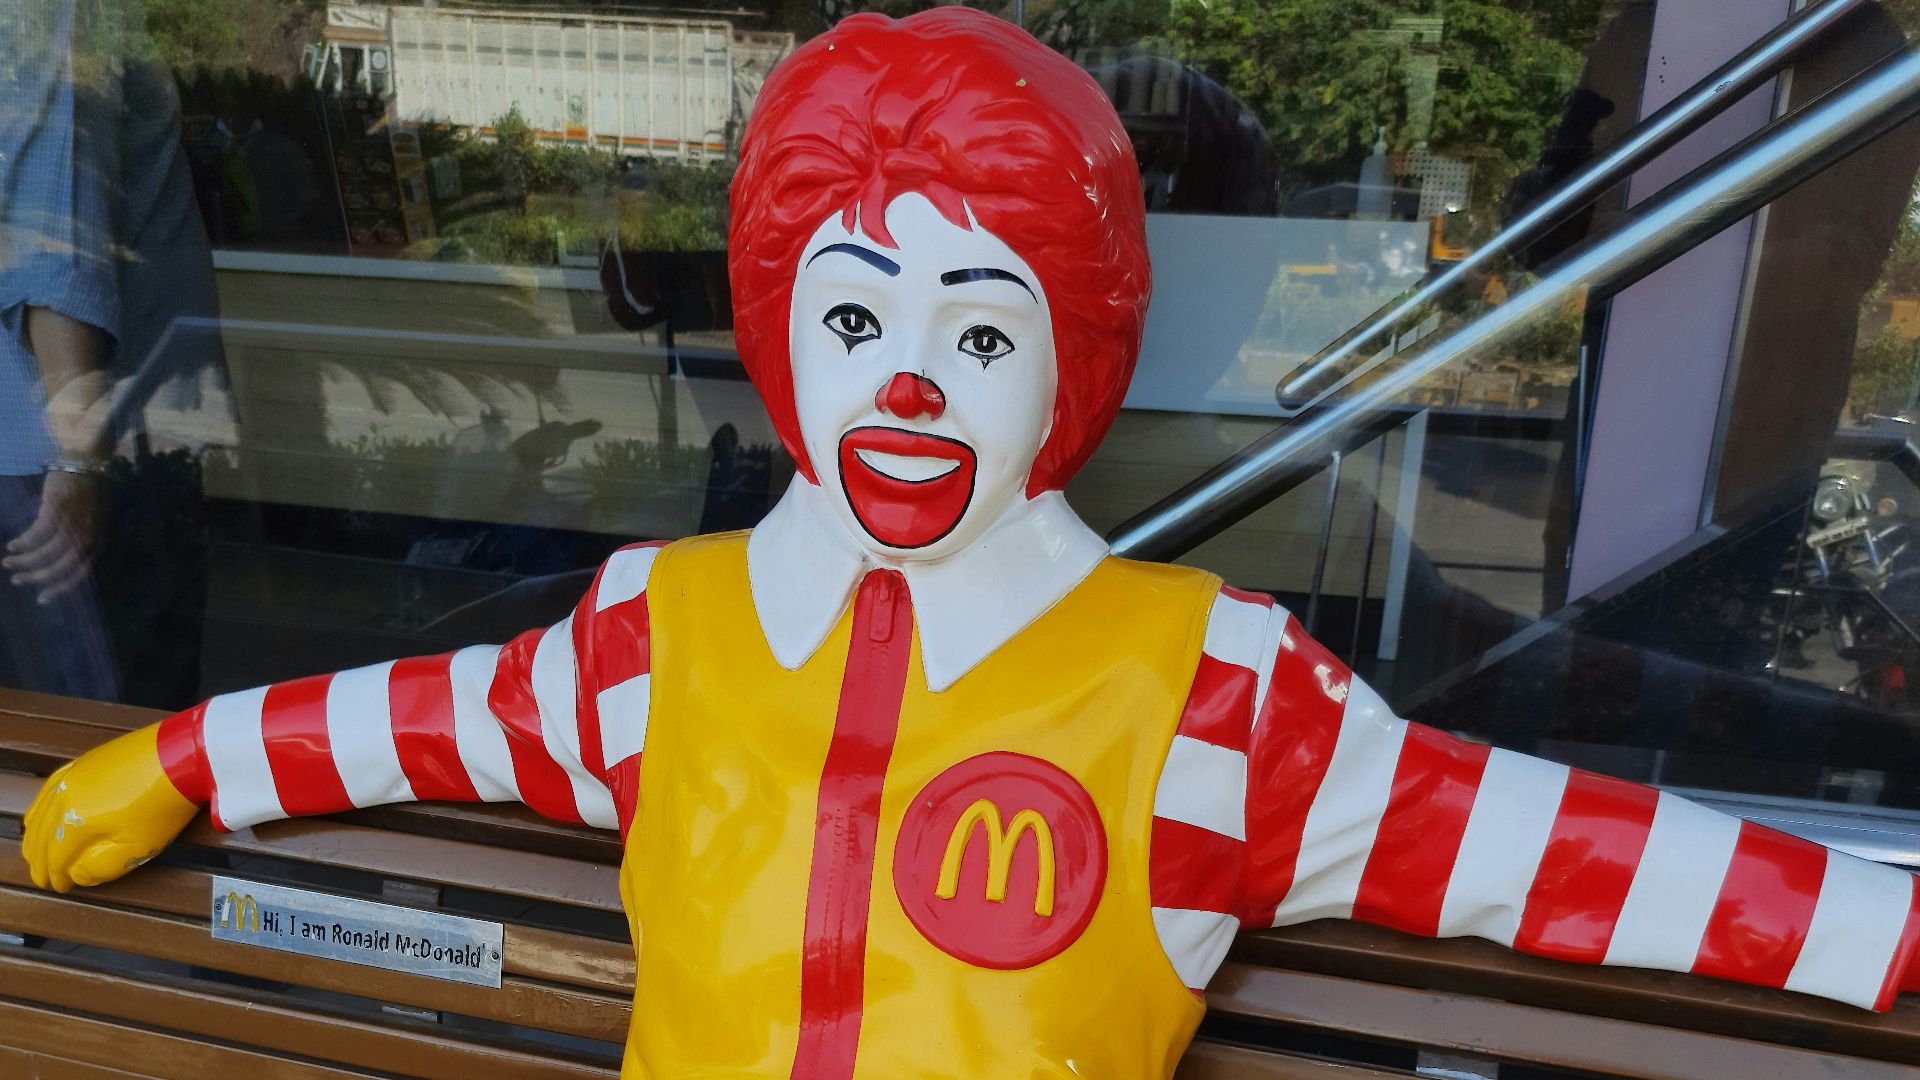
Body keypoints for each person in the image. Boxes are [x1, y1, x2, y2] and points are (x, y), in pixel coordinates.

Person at [24, 10, 1920, 1078]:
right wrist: (188, 751)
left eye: (983, 330)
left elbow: (1553, 854)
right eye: (856, 322)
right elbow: (417, 719)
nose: (912, 387)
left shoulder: (1214, 704)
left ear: (1067, 365)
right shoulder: (648, 646)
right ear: (780, 337)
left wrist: (1884, 927)